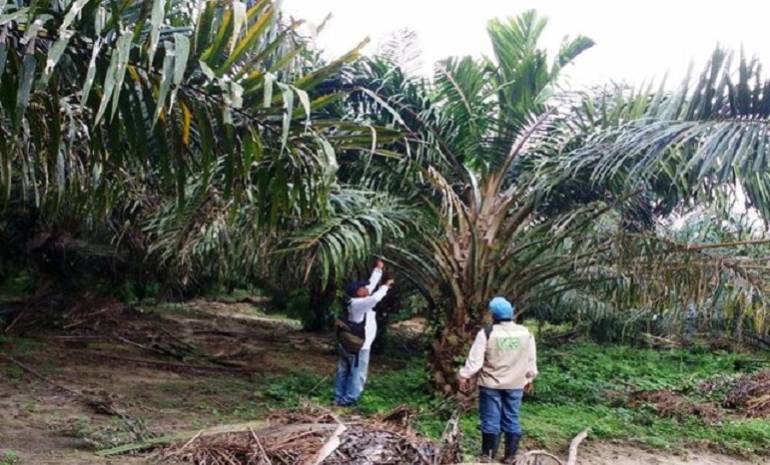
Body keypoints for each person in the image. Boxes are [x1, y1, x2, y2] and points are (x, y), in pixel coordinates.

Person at [458, 297, 538, 463]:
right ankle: (510, 457)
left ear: (493, 315)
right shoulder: (525, 333)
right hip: (516, 384)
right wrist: (529, 378)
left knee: (490, 419)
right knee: (512, 417)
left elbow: (475, 362)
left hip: (491, 384)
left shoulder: (487, 333)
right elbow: (531, 360)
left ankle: (488, 457)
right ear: (511, 314)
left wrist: (464, 376)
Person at [334, 259, 394, 406]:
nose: (367, 288)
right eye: (363, 288)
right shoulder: (360, 304)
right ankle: (349, 400)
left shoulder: (355, 301)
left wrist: (378, 270)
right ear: (358, 292)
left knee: (344, 370)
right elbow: (374, 297)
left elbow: (371, 286)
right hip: (360, 346)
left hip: (348, 343)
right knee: (358, 373)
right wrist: (386, 286)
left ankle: (339, 398)